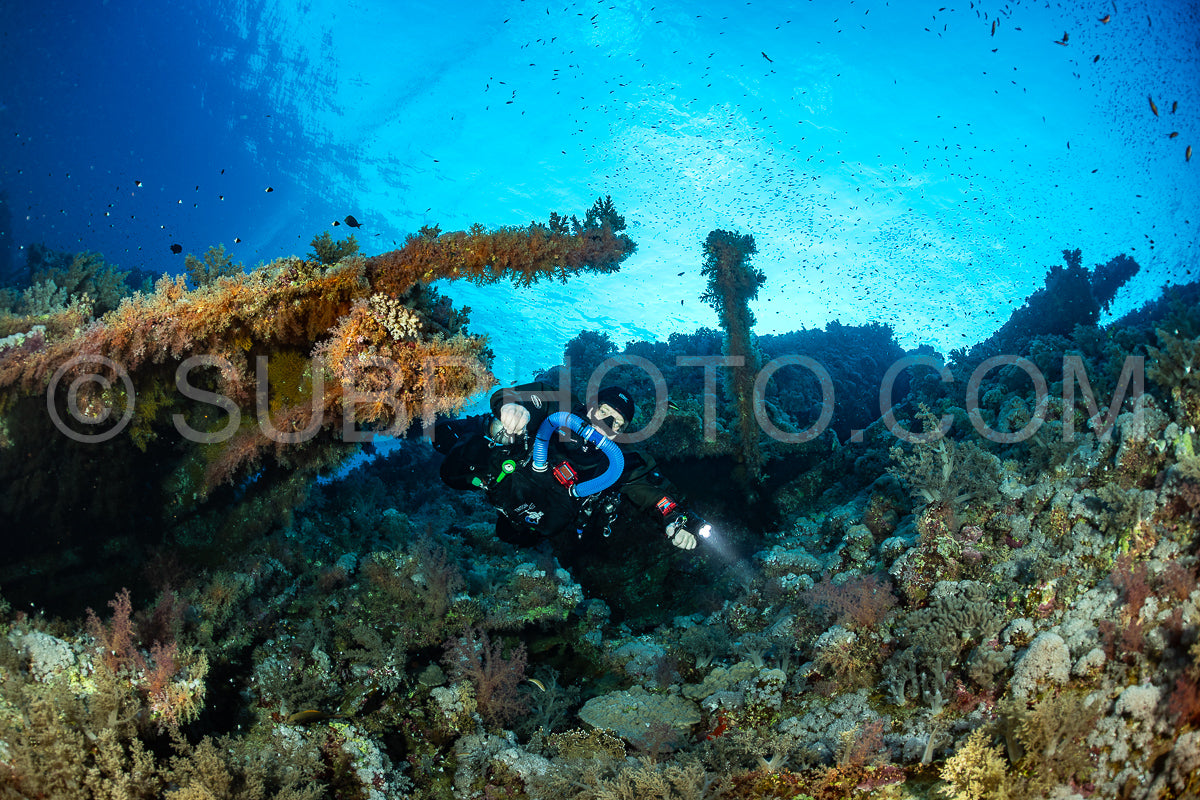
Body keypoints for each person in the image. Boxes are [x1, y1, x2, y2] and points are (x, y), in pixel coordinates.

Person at [433, 381, 705, 550]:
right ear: (589, 407)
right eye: (604, 413)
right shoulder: (558, 405)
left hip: (532, 511)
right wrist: (513, 408)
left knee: (515, 536)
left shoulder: (615, 461)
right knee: (449, 464)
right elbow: (520, 396)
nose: (607, 426)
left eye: (618, 425)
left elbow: (654, 495)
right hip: (502, 471)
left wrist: (674, 521)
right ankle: (463, 430)